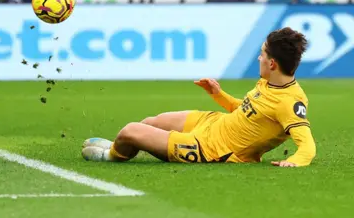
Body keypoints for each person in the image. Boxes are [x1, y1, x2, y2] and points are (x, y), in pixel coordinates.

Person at [82, 27, 316, 168]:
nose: (258, 58)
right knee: (150, 121)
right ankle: (127, 146)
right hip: (213, 123)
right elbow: (244, 111)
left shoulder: (289, 102)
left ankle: (111, 155)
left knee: (130, 131)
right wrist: (218, 94)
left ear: (272, 63)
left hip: (210, 149)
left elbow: (307, 145)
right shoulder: (267, 82)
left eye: (262, 54)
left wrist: (295, 160)